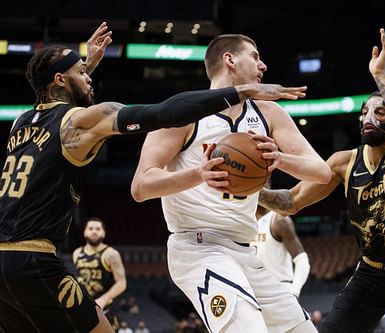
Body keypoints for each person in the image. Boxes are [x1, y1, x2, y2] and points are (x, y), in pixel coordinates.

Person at [0, 20, 307, 333]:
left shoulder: (21, 123)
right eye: (81, 73)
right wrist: (242, 91)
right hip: (33, 259)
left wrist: (83, 67)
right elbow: (163, 113)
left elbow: (53, 103)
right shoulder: (80, 122)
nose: (89, 79)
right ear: (60, 79)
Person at [258, 28, 385, 333]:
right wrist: (250, 190)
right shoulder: (344, 162)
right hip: (371, 273)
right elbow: (291, 201)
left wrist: (381, 76)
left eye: (380, 112)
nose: (369, 117)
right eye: (365, 111)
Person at [131, 33, 331, 333]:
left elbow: (322, 172)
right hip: (197, 247)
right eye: (255, 55)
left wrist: (279, 158)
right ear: (230, 59)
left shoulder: (269, 114)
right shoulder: (184, 114)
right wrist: (198, 173)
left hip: (243, 250)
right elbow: (141, 186)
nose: (263, 65)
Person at [73, 217, 127, 331]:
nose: (94, 231)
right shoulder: (77, 253)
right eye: (91, 228)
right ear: (84, 232)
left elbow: (122, 283)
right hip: (83, 308)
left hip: (105, 308)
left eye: (98, 229)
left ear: (103, 233)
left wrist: (103, 300)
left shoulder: (111, 254)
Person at [254, 203, 311, 298]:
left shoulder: (279, 220)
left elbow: (302, 261)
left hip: (279, 289)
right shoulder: (243, 220)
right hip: (252, 292)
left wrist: (294, 292)